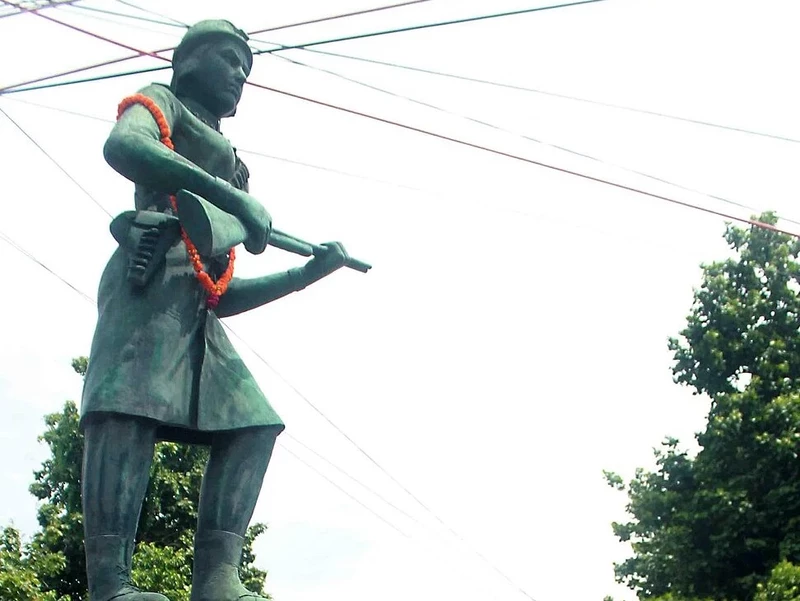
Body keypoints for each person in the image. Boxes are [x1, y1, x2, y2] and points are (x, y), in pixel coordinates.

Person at [80, 20, 350, 601]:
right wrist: (233, 199)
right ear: (187, 62)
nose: (238, 77)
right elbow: (123, 146)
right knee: (128, 409)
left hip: (194, 304)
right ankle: (110, 584)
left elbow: (219, 291)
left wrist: (303, 276)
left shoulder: (235, 161)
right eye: (229, 60)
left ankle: (217, 577)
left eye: (246, 70)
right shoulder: (161, 101)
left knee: (253, 423)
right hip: (149, 277)